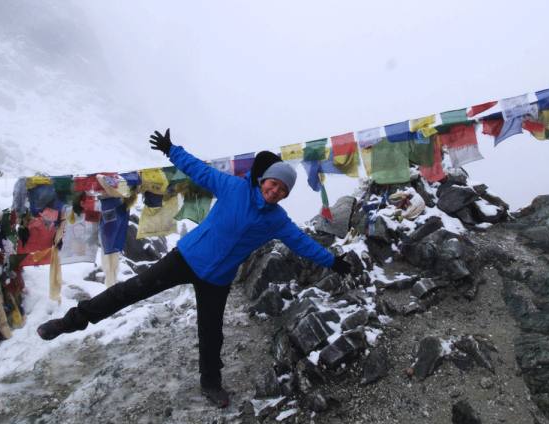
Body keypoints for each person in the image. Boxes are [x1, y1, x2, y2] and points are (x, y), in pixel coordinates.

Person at [37, 129, 352, 408]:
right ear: (263, 179)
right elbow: (199, 171)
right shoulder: (233, 187)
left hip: (217, 279)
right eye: (274, 184)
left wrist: (334, 262)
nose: (276, 192)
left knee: (212, 333)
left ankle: (211, 384)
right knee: (130, 291)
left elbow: (302, 243)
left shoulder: (277, 219)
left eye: (283, 191)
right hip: (186, 258)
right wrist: (172, 150)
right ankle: (70, 322)